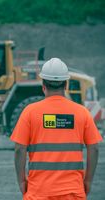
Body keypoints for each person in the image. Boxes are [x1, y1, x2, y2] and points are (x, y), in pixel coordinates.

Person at [10, 58, 103, 200]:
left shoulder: (30, 112)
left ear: (43, 84)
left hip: (38, 193)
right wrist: (88, 181)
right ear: (66, 85)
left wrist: (22, 181)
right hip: (73, 192)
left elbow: (19, 149)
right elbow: (94, 148)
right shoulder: (82, 112)